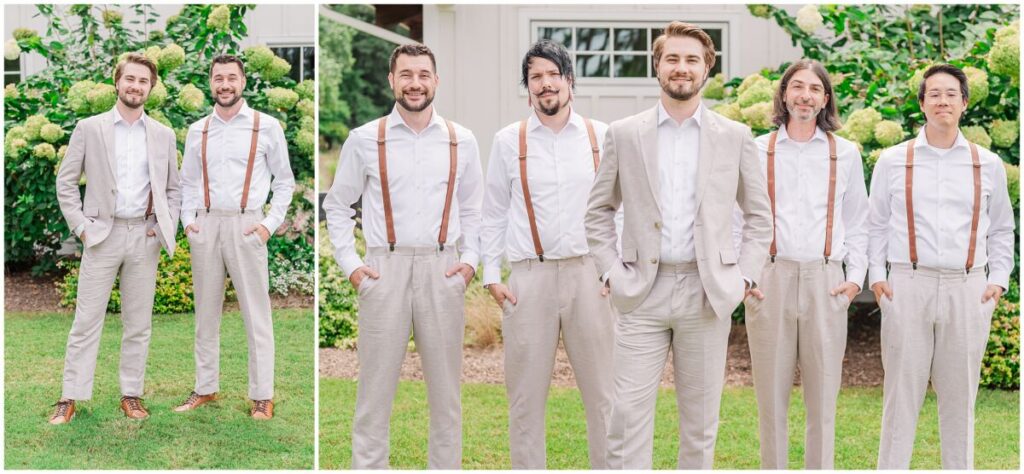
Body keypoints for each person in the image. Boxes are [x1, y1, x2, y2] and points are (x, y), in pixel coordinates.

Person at [585, 20, 772, 469]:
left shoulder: (735, 137)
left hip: (706, 293)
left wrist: (742, 275)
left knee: (701, 423)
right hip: (641, 294)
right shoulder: (625, 133)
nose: (681, 68)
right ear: (658, 66)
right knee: (626, 419)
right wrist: (611, 270)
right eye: (672, 59)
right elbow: (597, 212)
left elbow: (759, 217)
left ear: (707, 68)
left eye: (692, 60)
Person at [322, 43, 483, 469]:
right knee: (374, 395)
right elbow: (337, 205)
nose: (415, 83)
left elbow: (474, 209)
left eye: (423, 74)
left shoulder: (461, 141)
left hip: (442, 267)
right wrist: (353, 267)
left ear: (436, 80)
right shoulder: (364, 139)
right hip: (384, 268)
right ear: (391, 80)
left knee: (446, 396)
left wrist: (469, 262)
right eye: (406, 74)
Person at [869, 64, 1014, 469]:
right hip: (907, 285)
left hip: (968, 288)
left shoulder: (987, 164)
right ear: (922, 103)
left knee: (960, 399)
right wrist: (877, 278)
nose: (943, 101)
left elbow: (1003, 229)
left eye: (951, 94)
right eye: (934, 94)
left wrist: (998, 281)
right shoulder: (893, 161)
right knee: (900, 398)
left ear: (964, 103)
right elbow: (875, 224)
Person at [480, 39, 614, 469]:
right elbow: (494, 211)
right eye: (536, 76)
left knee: (605, 397)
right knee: (524, 398)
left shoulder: (602, 137)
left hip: (589, 276)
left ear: (570, 82)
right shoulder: (507, 141)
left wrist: (616, 271)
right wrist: (491, 274)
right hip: (528, 279)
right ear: (528, 87)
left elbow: (621, 207)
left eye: (553, 74)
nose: (546, 84)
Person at [741, 59, 868, 469]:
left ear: (825, 98)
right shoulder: (757, 150)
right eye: (797, 86)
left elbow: (860, 221)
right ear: (783, 94)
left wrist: (854, 281)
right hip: (770, 278)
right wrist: (744, 275)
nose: (805, 95)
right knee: (770, 400)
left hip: (825, 279)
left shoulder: (845, 155)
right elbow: (734, 216)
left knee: (823, 399)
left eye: (815, 88)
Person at [52, 53, 181, 423]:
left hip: (144, 236)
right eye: (130, 79)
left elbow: (173, 189)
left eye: (143, 81)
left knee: (138, 323)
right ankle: (70, 396)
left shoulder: (163, 134)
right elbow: (65, 183)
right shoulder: (89, 128)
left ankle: (132, 395)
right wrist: (81, 227)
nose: (135, 86)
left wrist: (160, 226)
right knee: (86, 319)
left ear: (151, 88)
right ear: (117, 82)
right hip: (101, 237)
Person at [174, 54, 295, 420]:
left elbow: (285, 182)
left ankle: (263, 395)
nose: (224, 85)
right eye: (217, 78)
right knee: (205, 314)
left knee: (256, 315)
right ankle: (205, 387)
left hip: (247, 225)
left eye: (231, 78)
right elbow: (188, 182)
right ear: (210, 83)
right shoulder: (199, 130)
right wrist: (188, 221)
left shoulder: (267, 126)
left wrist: (267, 225)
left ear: (243, 82)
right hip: (206, 226)